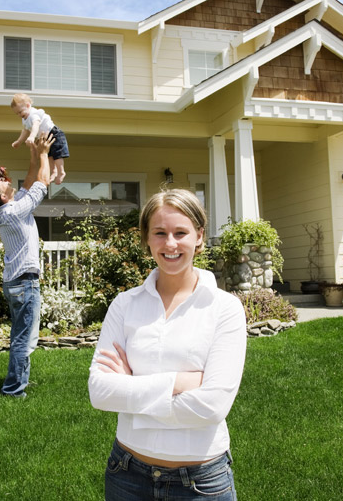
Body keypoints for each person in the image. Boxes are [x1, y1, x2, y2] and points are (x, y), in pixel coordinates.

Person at [88, 189, 247, 500]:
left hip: (201, 482)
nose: (170, 244)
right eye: (160, 233)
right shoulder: (124, 305)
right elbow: (100, 392)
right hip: (127, 475)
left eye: (180, 232)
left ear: (199, 236)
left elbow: (212, 407)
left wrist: (132, 388)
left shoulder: (224, 308)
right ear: (147, 238)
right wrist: (179, 382)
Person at [0, 131, 55, 398]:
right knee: (26, 339)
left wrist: (34, 153)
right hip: (24, 283)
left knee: (20, 335)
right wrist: (46, 153)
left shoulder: (8, 209)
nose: (6, 183)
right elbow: (42, 183)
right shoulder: (14, 211)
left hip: (15, 282)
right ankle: (14, 389)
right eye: (2, 185)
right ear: (3, 197)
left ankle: (17, 381)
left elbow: (28, 181)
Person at [10, 93, 69, 185]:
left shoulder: (34, 114)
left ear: (28, 105)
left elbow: (35, 125)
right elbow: (25, 130)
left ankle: (61, 171)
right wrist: (19, 141)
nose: (19, 114)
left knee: (57, 154)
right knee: (49, 155)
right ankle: (54, 171)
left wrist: (32, 137)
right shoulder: (25, 118)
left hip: (54, 133)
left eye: (20, 112)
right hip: (46, 137)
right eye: (17, 113)